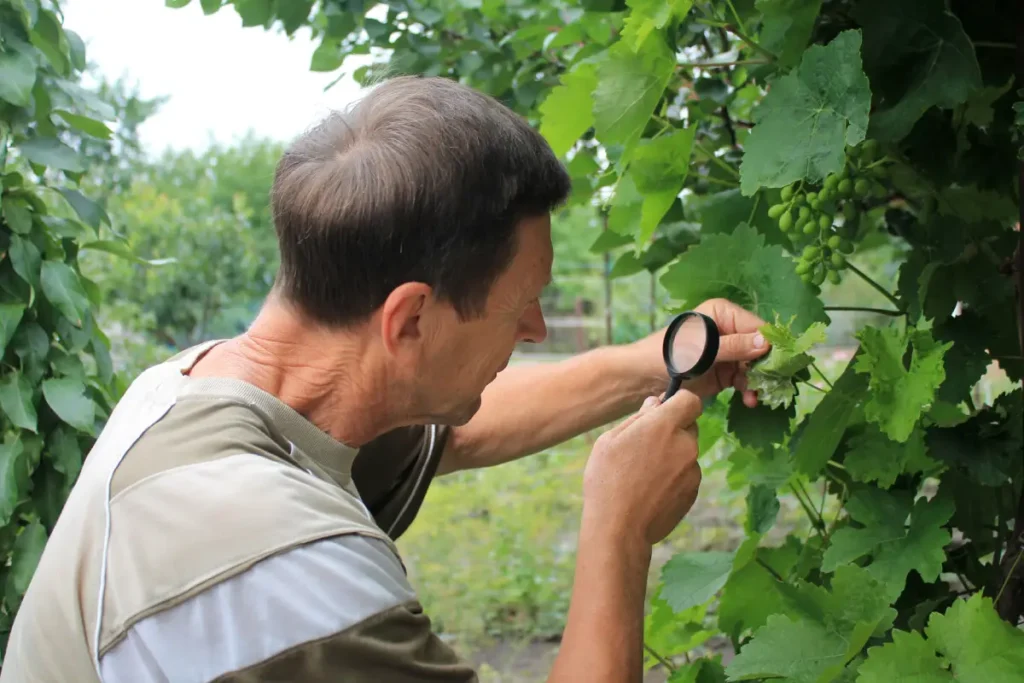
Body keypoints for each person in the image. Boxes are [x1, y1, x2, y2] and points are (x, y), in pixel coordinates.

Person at [0, 75, 769, 683]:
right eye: (521, 307)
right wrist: (619, 529)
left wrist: (664, 353)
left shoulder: (202, 389)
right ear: (408, 321)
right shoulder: (271, 563)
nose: (535, 330)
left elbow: (456, 427)